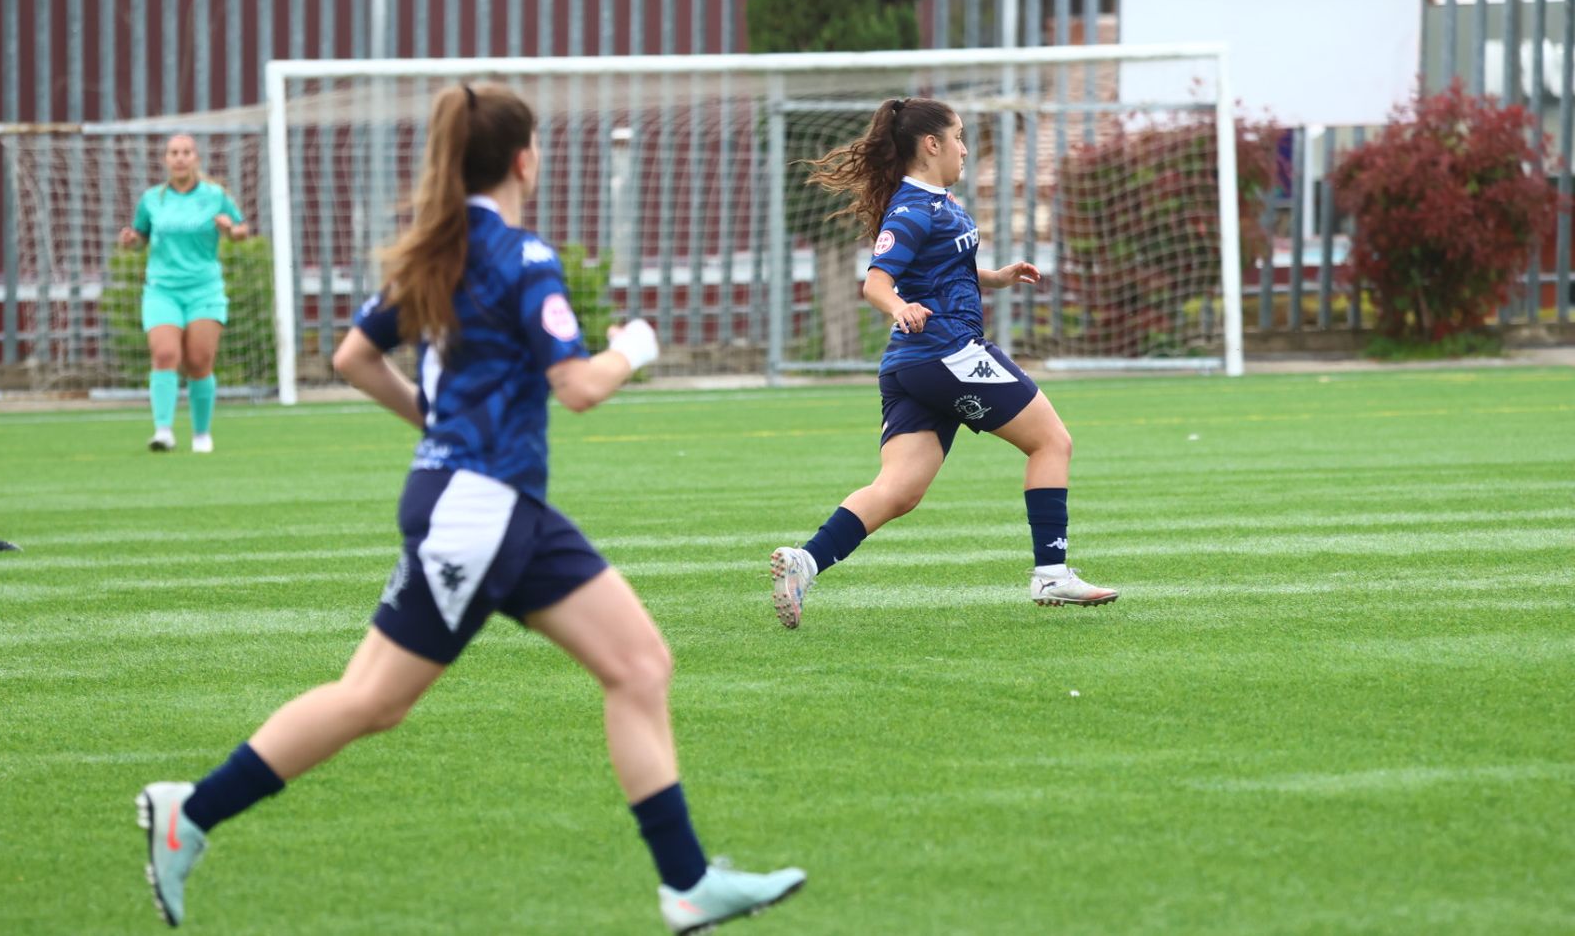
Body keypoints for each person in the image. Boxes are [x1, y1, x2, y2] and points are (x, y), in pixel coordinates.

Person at [136, 84, 804, 933]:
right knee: (372, 699)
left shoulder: (438, 251)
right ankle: (189, 812)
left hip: (492, 505)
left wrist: (437, 424)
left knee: (638, 665)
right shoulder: (522, 257)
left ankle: (686, 882)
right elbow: (579, 386)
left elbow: (352, 356)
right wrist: (634, 345)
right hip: (480, 513)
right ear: (525, 159)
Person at [769, 96, 1118, 629]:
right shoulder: (911, 209)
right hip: (947, 351)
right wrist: (899, 305)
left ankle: (806, 561)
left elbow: (945, 267)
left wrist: (994, 277)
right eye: (957, 137)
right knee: (1052, 442)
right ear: (930, 145)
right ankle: (1052, 572)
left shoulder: (941, 202)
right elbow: (876, 282)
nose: (964, 148)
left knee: (900, 490)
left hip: (913, 367)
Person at [118, 134, 249, 453]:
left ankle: (201, 435)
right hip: (162, 290)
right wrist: (131, 241)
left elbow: (242, 230)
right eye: (174, 153)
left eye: (186, 152)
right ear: (165, 159)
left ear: (196, 159)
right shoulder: (152, 199)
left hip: (204, 289)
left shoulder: (215, 196)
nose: (180, 158)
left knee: (199, 362)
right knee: (164, 354)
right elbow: (140, 237)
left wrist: (230, 230)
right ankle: (163, 431)